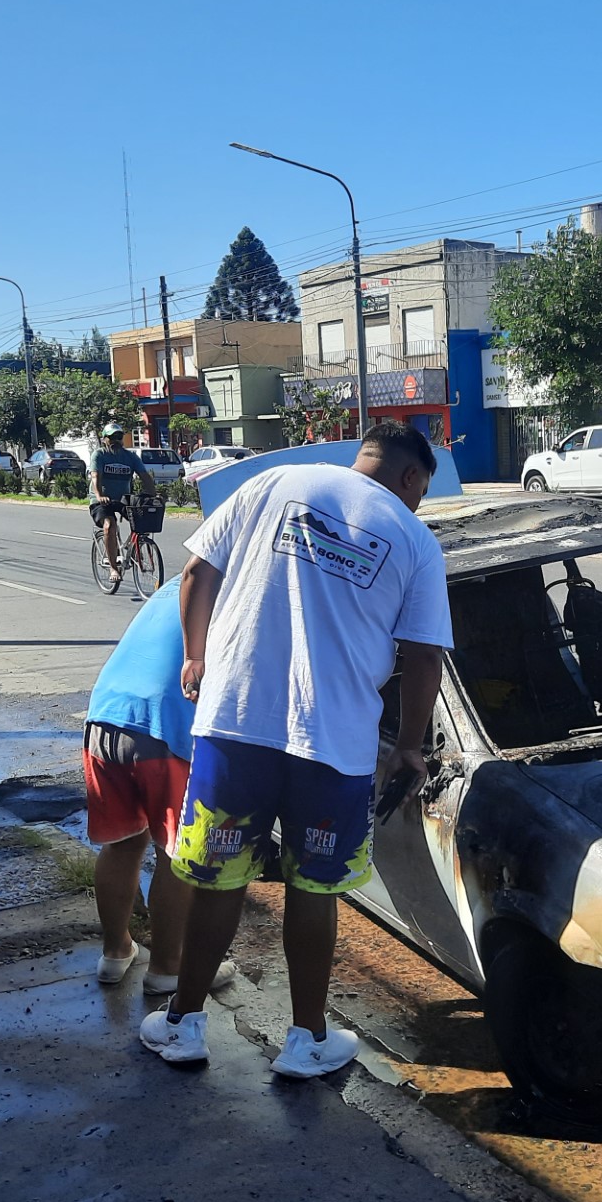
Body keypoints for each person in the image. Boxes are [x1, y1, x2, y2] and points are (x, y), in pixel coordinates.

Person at [140, 421, 452, 1075]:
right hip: (332, 747)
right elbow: (424, 660)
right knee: (314, 888)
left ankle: (183, 1025)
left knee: (220, 879)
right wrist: (411, 748)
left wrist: (196, 659)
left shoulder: (274, 482)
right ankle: (306, 1041)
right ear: (411, 478)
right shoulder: (414, 539)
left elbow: (197, 572)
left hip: (234, 726)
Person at [82, 572, 235, 997]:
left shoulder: (179, 583)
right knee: (177, 855)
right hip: (163, 728)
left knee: (123, 844)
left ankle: (115, 952)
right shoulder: (239, 591)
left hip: (105, 716)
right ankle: (169, 967)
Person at [90, 424, 154, 574]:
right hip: (101, 501)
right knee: (109, 525)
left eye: (119, 437)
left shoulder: (130, 457)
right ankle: (113, 568)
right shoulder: (99, 455)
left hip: (122, 500)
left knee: (142, 521)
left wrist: (153, 495)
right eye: (112, 437)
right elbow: (95, 476)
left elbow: (145, 476)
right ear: (105, 439)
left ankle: (133, 545)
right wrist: (99, 495)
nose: (116, 441)